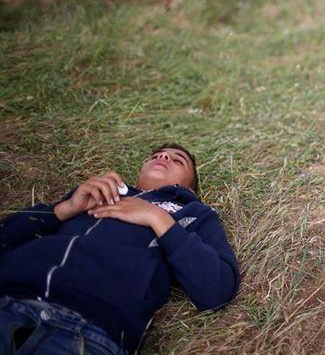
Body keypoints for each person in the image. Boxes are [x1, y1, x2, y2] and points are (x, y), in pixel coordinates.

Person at [0, 143, 240, 354]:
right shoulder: (98, 192)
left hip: (87, 329)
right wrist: (64, 209)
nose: (163, 157)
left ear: (190, 190)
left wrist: (157, 218)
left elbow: (217, 289)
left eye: (178, 160)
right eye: (157, 155)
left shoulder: (194, 213)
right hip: (8, 298)